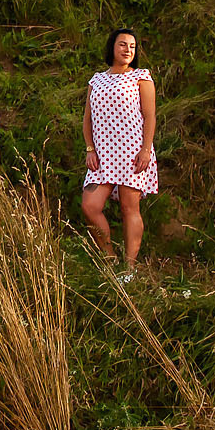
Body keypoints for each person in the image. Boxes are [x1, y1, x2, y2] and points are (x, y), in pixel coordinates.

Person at [81, 27, 158, 280]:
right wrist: (90, 148)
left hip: (132, 151)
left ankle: (130, 268)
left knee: (129, 207)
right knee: (90, 205)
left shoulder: (141, 77)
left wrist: (146, 149)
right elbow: (87, 119)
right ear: (112, 47)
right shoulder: (96, 80)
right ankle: (109, 258)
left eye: (132, 46)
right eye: (123, 44)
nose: (128, 50)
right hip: (102, 154)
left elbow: (150, 116)